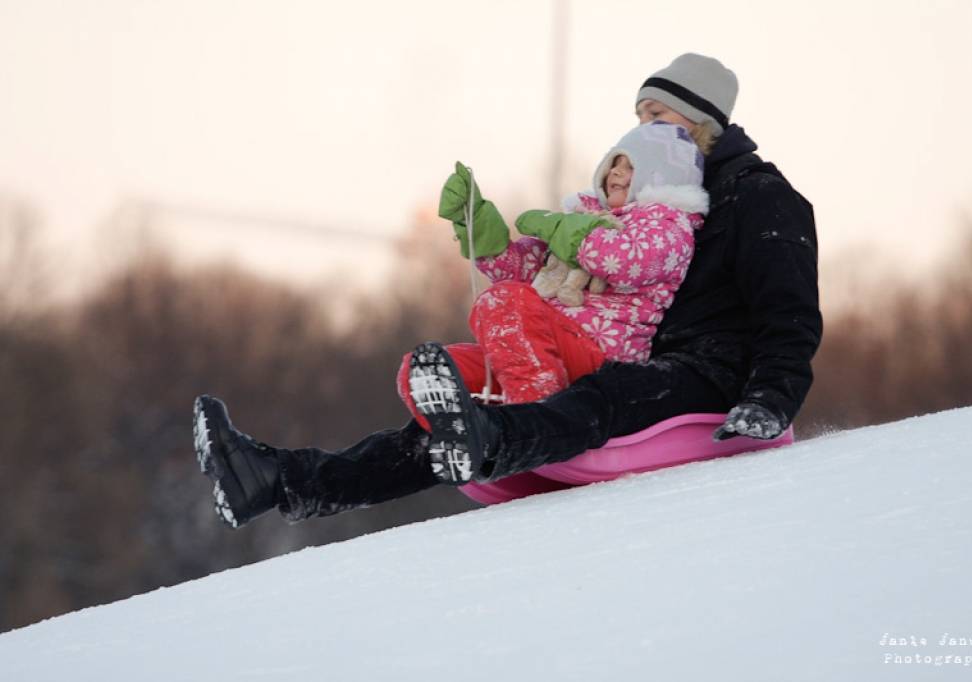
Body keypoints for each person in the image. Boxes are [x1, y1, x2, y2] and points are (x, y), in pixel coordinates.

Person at [193, 52, 822, 528]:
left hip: (709, 370)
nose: (642, 130)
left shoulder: (758, 196)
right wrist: (492, 240)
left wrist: (771, 398)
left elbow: (788, 310)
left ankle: (500, 435)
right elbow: (560, 269)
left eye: (656, 115)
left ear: (703, 121)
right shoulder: (637, 200)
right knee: (447, 422)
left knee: (599, 394)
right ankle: (281, 479)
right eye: (638, 118)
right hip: (631, 356)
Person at [396, 121, 708, 482]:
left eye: (630, 165)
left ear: (660, 175)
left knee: (502, 303)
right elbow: (524, 270)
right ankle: (467, 435)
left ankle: (534, 421)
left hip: (598, 355)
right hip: (537, 350)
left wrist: (576, 236)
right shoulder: (585, 216)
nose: (616, 173)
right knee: (424, 370)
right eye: (614, 163)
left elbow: (629, 262)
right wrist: (485, 236)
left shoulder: (668, 225)